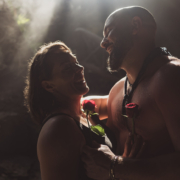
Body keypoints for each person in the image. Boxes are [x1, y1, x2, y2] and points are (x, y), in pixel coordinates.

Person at [82, 6, 180, 180]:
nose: (103, 43)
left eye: (109, 31)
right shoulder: (118, 90)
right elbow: (84, 105)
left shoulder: (170, 77)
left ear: (135, 25)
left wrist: (117, 168)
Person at [24, 41, 144, 180]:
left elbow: (125, 96)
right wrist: (120, 170)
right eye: (68, 68)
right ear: (49, 86)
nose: (79, 68)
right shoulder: (58, 127)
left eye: (76, 62)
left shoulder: (85, 108)